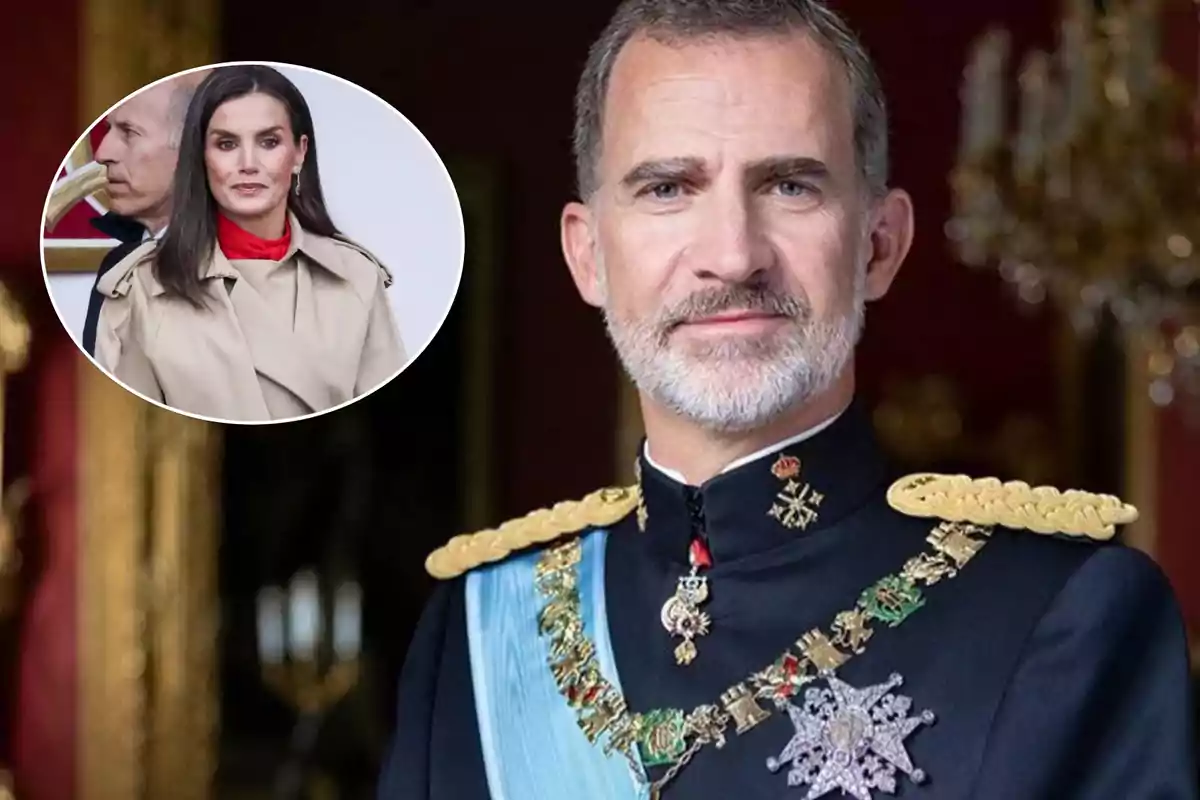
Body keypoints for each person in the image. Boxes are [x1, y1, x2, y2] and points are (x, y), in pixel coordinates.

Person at [379, 1, 1197, 798]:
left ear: (880, 245)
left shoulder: (1060, 618)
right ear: (588, 255)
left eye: (789, 186)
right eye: (667, 188)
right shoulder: (479, 633)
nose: (733, 256)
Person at [94, 65, 407, 422]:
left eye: (268, 142)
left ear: (300, 152)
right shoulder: (141, 288)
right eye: (226, 144)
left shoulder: (358, 279)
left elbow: (388, 430)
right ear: (201, 155)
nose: (248, 164)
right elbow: (128, 432)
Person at [82, 72, 206, 356]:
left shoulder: (249, 269)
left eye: (129, 133)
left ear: (191, 147)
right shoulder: (118, 264)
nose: (102, 153)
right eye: (109, 129)